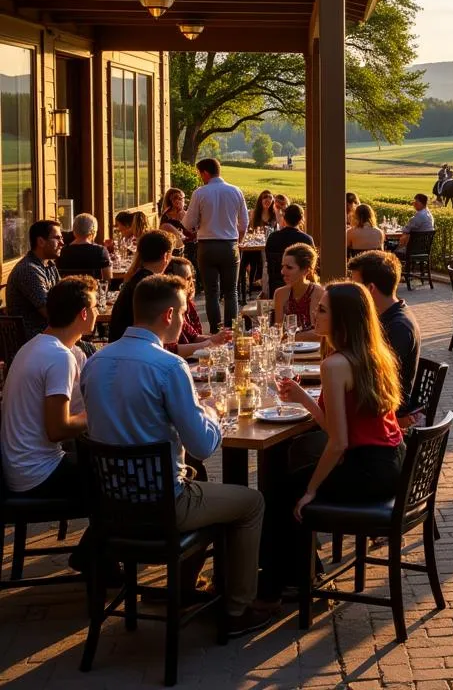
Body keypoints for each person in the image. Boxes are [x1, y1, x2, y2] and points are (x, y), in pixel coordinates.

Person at [81, 275, 274, 635]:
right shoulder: (168, 366)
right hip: (162, 504)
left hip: (109, 503)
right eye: (185, 312)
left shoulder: (95, 361)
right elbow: (203, 445)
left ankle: (182, 589)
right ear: (169, 314)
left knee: (197, 480)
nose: (186, 320)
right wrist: (214, 411)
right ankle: (237, 608)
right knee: (251, 503)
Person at [264, 281, 406, 598]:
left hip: (368, 471)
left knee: (281, 491)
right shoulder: (374, 354)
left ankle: (287, 581)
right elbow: (339, 430)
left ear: (342, 319)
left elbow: (338, 442)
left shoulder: (334, 364)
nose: (315, 312)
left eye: (324, 309)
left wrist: (312, 490)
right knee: (292, 471)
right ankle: (300, 572)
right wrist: (303, 398)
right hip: (393, 464)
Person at [0, 277, 97, 574]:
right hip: (35, 474)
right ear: (83, 313)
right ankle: (95, 557)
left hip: (17, 466)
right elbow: (58, 429)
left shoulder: (35, 346)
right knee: (123, 481)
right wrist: (98, 416)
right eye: (95, 305)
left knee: (107, 469)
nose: (98, 310)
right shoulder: (58, 357)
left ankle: (99, 557)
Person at [348, 250, 421, 418]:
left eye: (356, 287)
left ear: (370, 288)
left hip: (385, 412)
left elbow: (375, 379)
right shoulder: (385, 316)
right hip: (375, 404)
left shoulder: (398, 327)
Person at [182, 157, 248, 332]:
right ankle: (230, 330)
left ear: (205, 173)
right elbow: (244, 223)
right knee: (231, 292)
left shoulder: (200, 193)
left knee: (212, 292)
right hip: (229, 245)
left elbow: (188, 223)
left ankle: (215, 330)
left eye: (200, 173)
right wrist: (239, 241)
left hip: (207, 246)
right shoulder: (235, 191)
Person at [107, 230, 174, 342]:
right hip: (134, 349)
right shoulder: (154, 287)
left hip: (121, 344)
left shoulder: (135, 279)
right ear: (166, 256)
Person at [6, 219, 63, 339]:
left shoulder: (49, 265)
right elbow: (51, 312)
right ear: (41, 241)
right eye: (57, 238)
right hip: (32, 342)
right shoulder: (28, 270)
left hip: (50, 335)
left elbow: (64, 296)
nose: (62, 243)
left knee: (90, 350)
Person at [163, 258, 230, 356]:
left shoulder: (188, 303)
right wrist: (208, 344)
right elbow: (168, 349)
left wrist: (218, 338)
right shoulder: (169, 307)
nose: (191, 282)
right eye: (187, 279)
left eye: (191, 278)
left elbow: (193, 336)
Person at [273, 243, 324, 338]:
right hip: (289, 350)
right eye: (283, 266)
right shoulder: (280, 294)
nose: (282, 271)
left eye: (289, 267)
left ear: (305, 271)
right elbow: (278, 331)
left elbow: (319, 333)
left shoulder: (318, 293)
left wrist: (292, 336)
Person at [58, 213, 113, 280]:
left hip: (67, 289)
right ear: (93, 232)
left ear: (74, 231)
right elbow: (108, 278)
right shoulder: (100, 251)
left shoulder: (63, 251)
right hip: (93, 289)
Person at [159, 188, 198, 267]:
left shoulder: (187, 213)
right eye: (177, 198)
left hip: (192, 247)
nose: (181, 201)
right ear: (171, 201)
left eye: (182, 198)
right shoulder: (166, 216)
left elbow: (194, 231)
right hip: (175, 249)